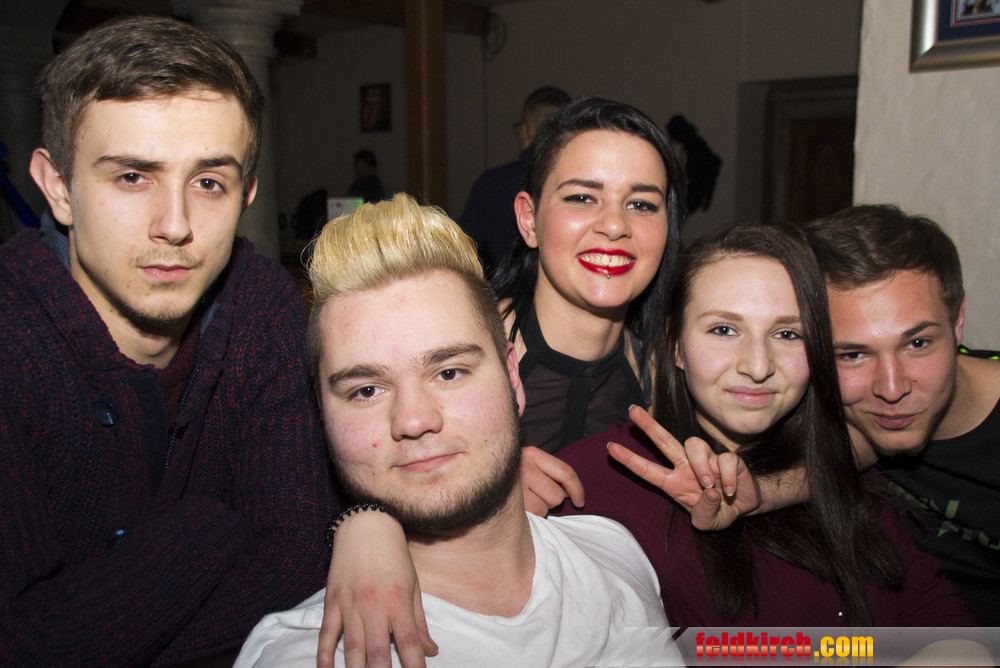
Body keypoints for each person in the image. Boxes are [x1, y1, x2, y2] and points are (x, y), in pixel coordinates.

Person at [0, 16, 335, 666]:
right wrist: (212, 524)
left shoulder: (259, 302)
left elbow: (296, 557)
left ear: (246, 195)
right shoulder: (13, 342)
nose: (175, 225)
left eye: (208, 183)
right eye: (133, 177)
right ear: (59, 188)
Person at [235, 194, 679, 667]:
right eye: (367, 390)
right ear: (323, 418)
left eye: (449, 372)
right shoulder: (307, 654)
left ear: (513, 378)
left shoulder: (615, 548)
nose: (414, 420)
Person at [558, 224, 978, 639]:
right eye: (724, 330)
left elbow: (951, 630)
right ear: (676, 344)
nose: (758, 366)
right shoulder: (593, 479)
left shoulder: (841, 476)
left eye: (787, 334)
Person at [800, 204, 1000, 626]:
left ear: (958, 323)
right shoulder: (820, 417)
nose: (892, 389)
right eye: (853, 354)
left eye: (917, 344)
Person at [492, 96, 687, 453]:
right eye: (582, 198)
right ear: (529, 220)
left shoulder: (670, 373)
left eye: (641, 204)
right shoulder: (466, 352)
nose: (614, 225)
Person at [459, 86, 569, 276]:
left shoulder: (490, 185)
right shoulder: (582, 185)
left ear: (525, 131)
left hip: (505, 291)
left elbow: (461, 254)